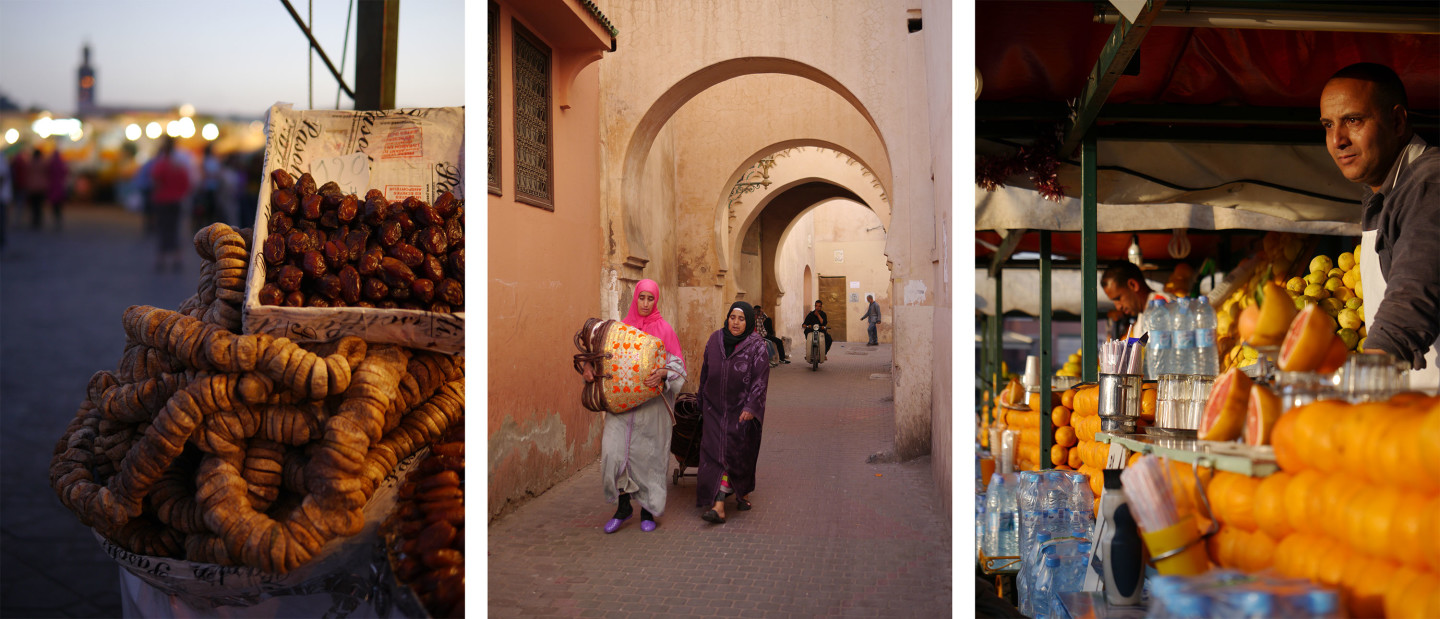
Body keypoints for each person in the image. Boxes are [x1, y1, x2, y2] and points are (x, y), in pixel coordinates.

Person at [1320, 62, 1439, 391]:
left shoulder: (1430, 181)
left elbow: (1412, 297)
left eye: (1353, 120)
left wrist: (1359, 389)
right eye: (1328, 125)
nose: (1337, 140)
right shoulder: (1384, 193)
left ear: (1397, 120)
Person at [598, 279, 687, 533]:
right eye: (642, 298)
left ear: (656, 300)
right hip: (622, 407)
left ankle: (648, 510)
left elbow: (679, 368)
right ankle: (623, 507)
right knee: (613, 453)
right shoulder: (621, 329)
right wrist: (591, 370)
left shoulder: (665, 330)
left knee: (649, 458)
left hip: (652, 409)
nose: (646, 304)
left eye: (650, 298)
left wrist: (662, 373)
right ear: (635, 298)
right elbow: (607, 361)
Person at [696, 301, 771, 524]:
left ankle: (731, 497)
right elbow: (705, 372)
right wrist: (701, 400)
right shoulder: (714, 339)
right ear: (727, 318)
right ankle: (719, 501)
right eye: (732, 317)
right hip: (714, 408)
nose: (735, 323)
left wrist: (752, 407)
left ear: (747, 322)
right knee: (714, 453)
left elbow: (761, 379)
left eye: (741, 319)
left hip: (741, 411)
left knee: (735, 454)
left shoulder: (757, 345)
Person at [149, 139, 192, 272]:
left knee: (163, 230)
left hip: (162, 201)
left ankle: (161, 259)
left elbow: (155, 182)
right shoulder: (179, 166)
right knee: (175, 230)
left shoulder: (160, 165)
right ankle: (177, 258)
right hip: (176, 201)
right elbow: (187, 184)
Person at [1101, 261, 1173, 339]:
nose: (1118, 307)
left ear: (1133, 285)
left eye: (1118, 298)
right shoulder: (1141, 318)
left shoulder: (1164, 304)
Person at [46, 149, 69, 230]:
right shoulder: (61, 164)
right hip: (59, 187)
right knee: (59, 206)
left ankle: (56, 220)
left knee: (54, 206)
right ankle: (59, 220)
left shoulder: (51, 164)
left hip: (52, 187)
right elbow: (65, 172)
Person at [25, 148, 46, 230]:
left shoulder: (30, 163)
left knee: (33, 206)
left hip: (32, 187)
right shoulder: (43, 163)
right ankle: (38, 220)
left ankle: (34, 221)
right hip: (41, 187)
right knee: (39, 206)